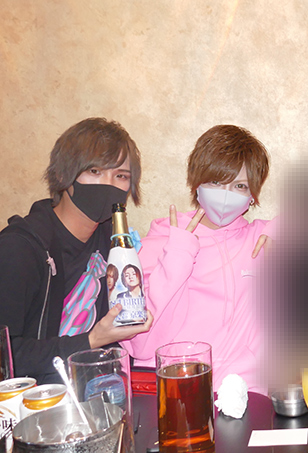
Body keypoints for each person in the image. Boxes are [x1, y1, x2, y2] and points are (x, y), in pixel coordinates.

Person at [121, 125, 274, 394]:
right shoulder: (163, 238)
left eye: (239, 186)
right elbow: (139, 342)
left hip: (243, 393)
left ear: (252, 196)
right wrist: (178, 254)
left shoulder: (260, 238)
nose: (225, 194)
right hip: (175, 391)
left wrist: (284, 229)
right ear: (196, 183)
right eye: (216, 182)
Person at [0, 118, 153, 384]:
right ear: (63, 175)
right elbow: (6, 354)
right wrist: (92, 339)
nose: (108, 184)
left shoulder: (113, 243)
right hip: (31, 397)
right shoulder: (20, 247)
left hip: (92, 390)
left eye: (121, 176)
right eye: (95, 171)